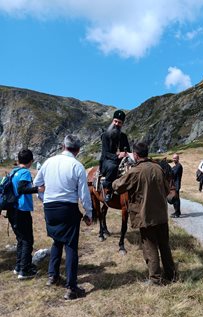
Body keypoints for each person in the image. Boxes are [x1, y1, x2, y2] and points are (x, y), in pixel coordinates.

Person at [34, 135, 93, 300]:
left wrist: (44, 200)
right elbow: (83, 193)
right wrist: (89, 213)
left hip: (50, 208)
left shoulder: (48, 162)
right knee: (71, 246)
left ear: (63, 146)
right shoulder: (77, 165)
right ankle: (71, 288)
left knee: (57, 240)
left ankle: (52, 276)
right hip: (67, 208)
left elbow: (37, 183)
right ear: (78, 150)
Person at [112, 142, 176, 285]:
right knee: (164, 245)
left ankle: (155, 279)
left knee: (150, 247)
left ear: (135, 155)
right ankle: (171, 275)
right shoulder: (158, 168)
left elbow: (118, 186)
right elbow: (167, 190)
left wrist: (113, 181)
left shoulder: (135, 171)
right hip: (161, 215)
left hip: (145, 216)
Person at [7, 149, 43, 279]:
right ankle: (25, 270)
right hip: (21, 209)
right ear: (30, 161)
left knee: (21, 239)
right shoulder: (25, 173)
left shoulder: (13, 172)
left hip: (12, 209)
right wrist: (38, 189)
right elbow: (21, 189)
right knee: (28, 239)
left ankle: (19, 266)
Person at [99, 109, 130, 203]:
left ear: (122, 124)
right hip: (107, 161)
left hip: (121, 160)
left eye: (119, 122)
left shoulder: (124, 136)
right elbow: (106, 153)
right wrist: (117, 156)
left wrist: (125, 154)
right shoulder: (105, 135)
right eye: (115, 121)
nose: (117, 124)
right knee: (113, 167)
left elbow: (128, 150)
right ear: (112, 121)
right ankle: (108, 189)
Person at [171, 153, 183, 218]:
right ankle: (177, 211)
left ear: (178, 159)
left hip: (176, 184)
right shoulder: (175, 166)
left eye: (175, 158)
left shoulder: (178, 166)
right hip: (174, 184)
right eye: (173, 158)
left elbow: (173, 174)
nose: (174, 159)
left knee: (176, 199)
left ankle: (177, 213)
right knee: (175, 198)